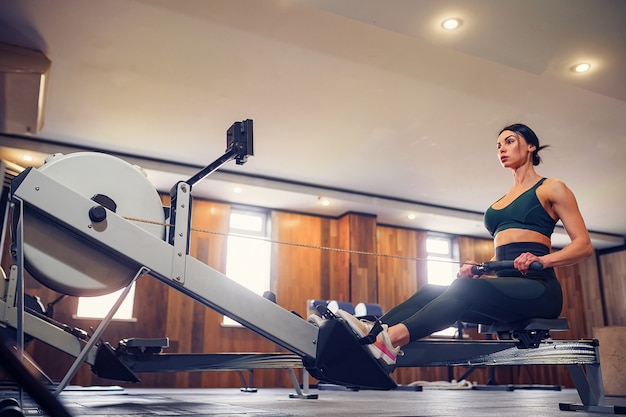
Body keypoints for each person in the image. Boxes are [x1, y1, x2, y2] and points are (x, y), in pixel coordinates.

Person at [328, 123, 593, 366]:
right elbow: (505, 248)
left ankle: (390, 341)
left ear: (531, 146)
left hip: (538, 290)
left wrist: (544, 260)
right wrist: (481, 267)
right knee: (431, 290)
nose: (502, 149)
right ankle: (371, 331)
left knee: (465, 288)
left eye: (510, 141)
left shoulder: (551, 187)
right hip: (503, 290)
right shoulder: (503, 199)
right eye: (498, 145)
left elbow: (583, 245)